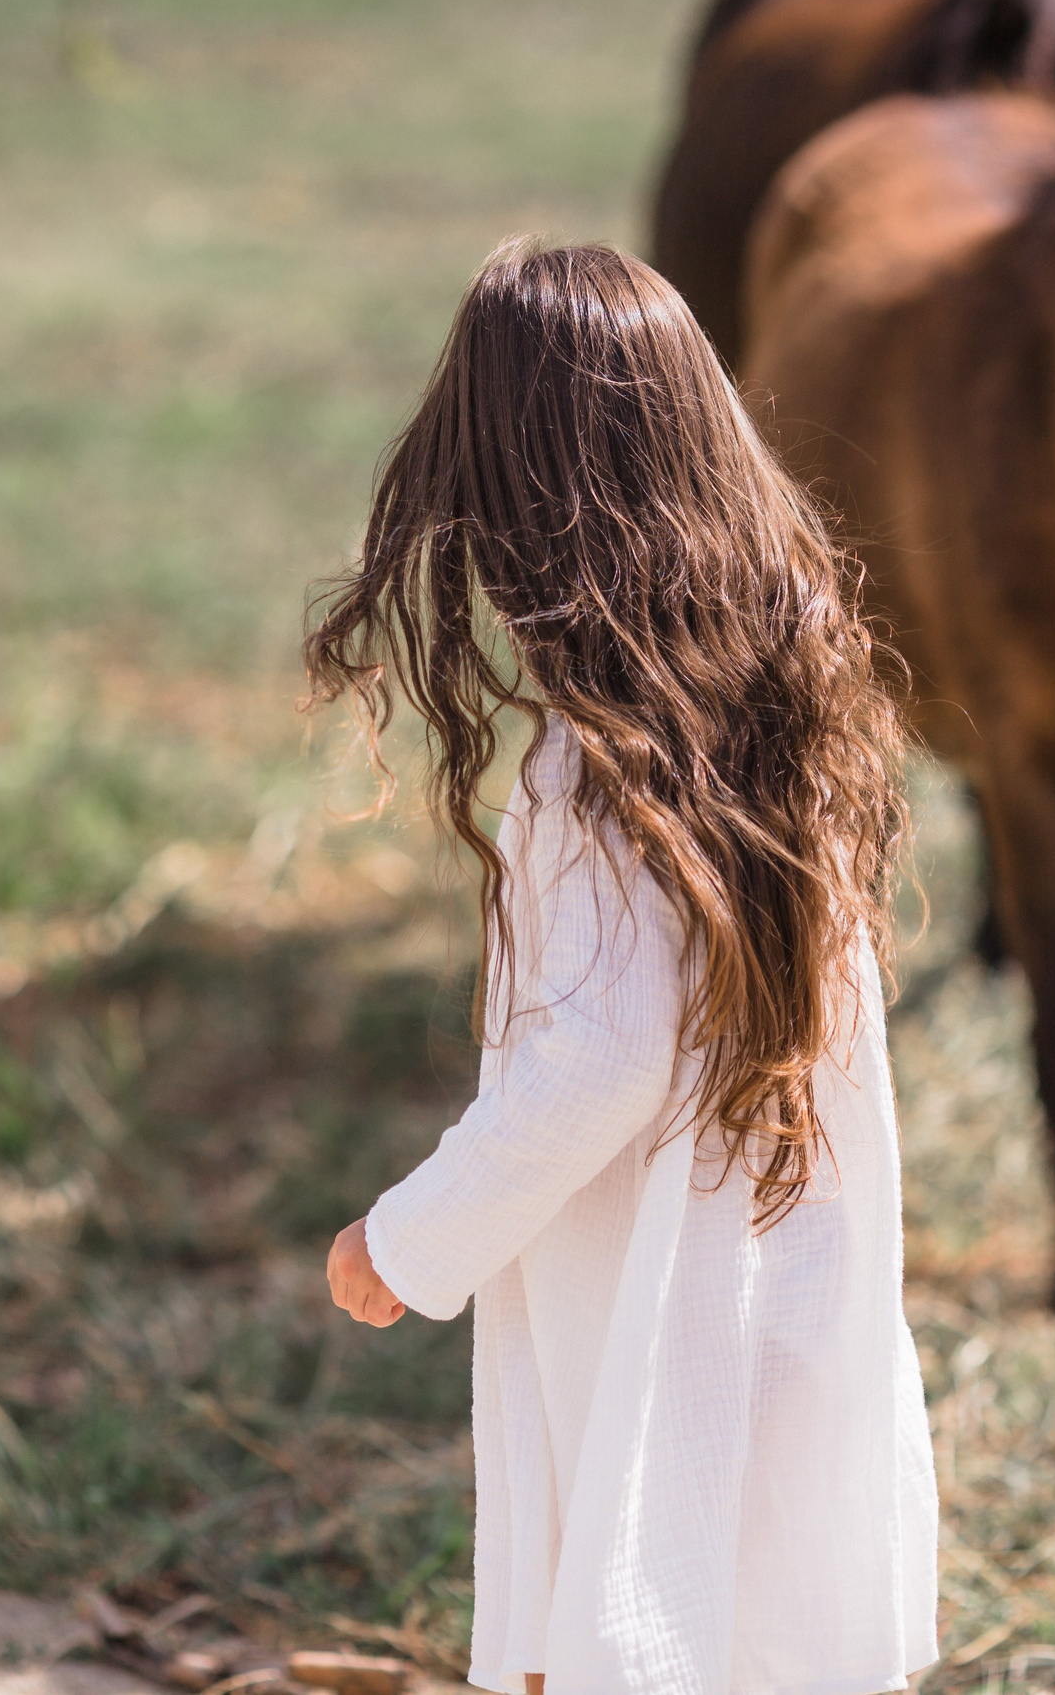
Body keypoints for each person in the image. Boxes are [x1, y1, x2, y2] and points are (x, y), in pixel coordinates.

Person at [303, 240, 939, 1695]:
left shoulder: (596, 773)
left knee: (630, 1615)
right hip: (791, 1275)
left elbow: (593, 1062)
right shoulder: (788, 691)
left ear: (512, 500)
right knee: (772, 1624)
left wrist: (410, 1238)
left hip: (656, 1314)